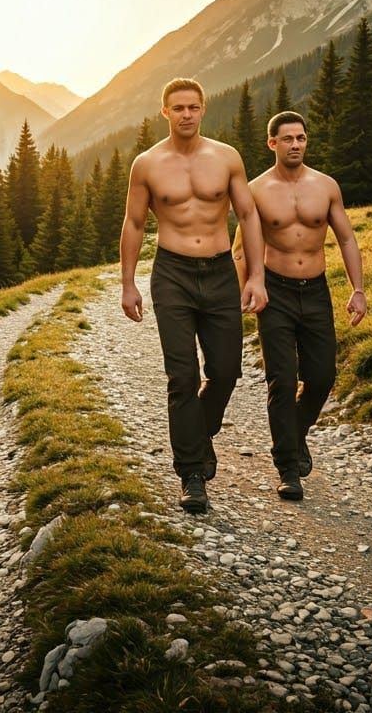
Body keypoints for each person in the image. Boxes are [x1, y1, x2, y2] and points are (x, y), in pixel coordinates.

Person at [121, 77, 268, 514]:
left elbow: (247, 213)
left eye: (193, 107)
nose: (186, 114)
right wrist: (128, 283)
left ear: (203, 110)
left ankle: (199, 434)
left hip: (222, 272)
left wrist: (256, 276)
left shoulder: (226, 158)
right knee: (181, 375)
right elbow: (132, 224)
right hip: (173, 273)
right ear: (165, 112)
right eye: (178, 108)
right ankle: (191, 473)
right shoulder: (146, 164)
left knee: (225, 371)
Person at [232, 110, 366, 501]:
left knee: (322, 376)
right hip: (275, 292)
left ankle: (295, 432)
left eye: (301, 138)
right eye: (287, 139)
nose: (295, 145)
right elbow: (241, 250)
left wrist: (358, 289)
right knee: (282, 379)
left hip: (317, 290)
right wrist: (245, 291)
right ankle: (288, 467)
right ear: (272, 143)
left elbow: (345, 239)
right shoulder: (256, 190)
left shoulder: (325, 187)